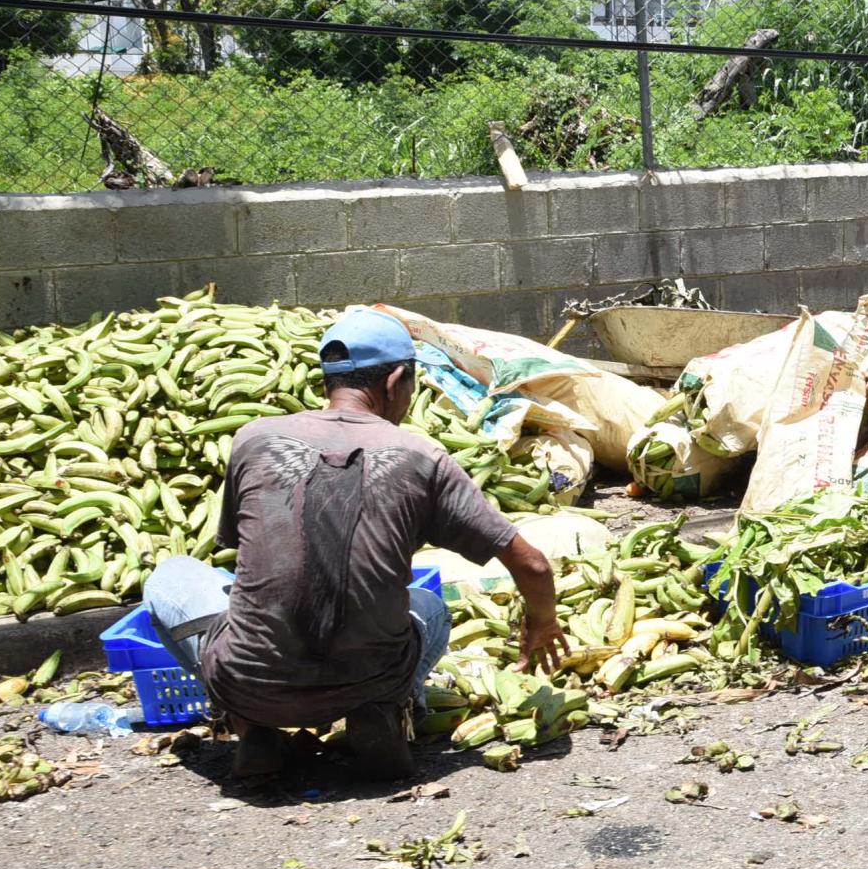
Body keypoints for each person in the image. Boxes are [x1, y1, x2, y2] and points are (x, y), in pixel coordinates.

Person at [142, 309, 567, 779]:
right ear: (397, 380)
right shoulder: (422, 457)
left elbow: (244, 555)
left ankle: (252, 726)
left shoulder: (254, 439)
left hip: (252, 681)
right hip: (367, 679)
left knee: (167, 577)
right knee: (431, 605)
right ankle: (379, 713)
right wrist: (541, 624)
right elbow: (533, 565)